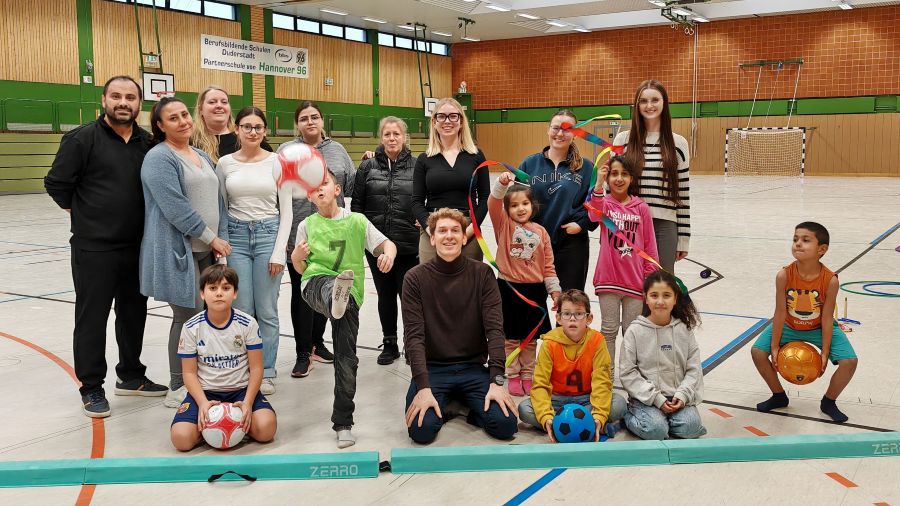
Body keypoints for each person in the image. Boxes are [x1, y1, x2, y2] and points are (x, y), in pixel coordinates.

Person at [44, 75, 166, 418]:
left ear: (139, 104)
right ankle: (92, 386)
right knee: (91, 318)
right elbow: (56, 183)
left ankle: (131, 375)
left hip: (137, 247)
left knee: (133, 314)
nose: (123, 102)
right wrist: (83, 211)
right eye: (116, 96)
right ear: (104, 100)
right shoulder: (81, 139)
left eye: (130, 97)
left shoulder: (148, 143)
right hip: (93, 248)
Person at [290, 169, 397, 448]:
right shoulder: (306, 225)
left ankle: (343, 423)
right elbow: (300, 269)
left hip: (350, 299)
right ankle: (335, 294)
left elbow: (388, 244)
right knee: (329, 287)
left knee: (347, 357)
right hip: (314, 285)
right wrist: (296, 257)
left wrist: (387, 255)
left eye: (324, 183)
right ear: (311, 197)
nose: (319, 189)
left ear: (337, 189)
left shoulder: (357, 221)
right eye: (313, 187)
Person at [139, 97, 231, 408]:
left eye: (184, 115)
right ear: (161, 126)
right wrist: (210, 237)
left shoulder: (202, 154)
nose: (183, 121)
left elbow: (219, 202)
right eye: (173, 118)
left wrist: (219, 240)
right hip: (181, 251)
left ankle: (197, 375)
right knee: (186, 316)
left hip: (208, 248)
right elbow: (175, 207)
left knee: (205, 315)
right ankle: (177, 384)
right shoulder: (158, 158)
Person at [402, 208, 518, 444]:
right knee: (422, 431)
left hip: (472, 368)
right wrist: (422, 387)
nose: (449, 236)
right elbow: (414, 337)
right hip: (433, 369)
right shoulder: (414, 278)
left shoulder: (483, 274)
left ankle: (459, 404)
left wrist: (497, 381)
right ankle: (451, 402)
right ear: (432, 238)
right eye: (442, 231)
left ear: (465, 237)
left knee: (506, 426)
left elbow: (495, 330)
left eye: (455, 230)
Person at [218, 107, 292, 395]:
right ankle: (244, 369)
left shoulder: (277, 162)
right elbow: (221, 208)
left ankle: (268, 370)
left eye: (258, 127)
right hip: (236, 237)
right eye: (246, 126)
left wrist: (278, 252)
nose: (252, 132)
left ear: (265, 130)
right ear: (237, 129)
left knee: (267, 310)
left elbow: (285, 211)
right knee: (242, 310)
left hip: (267, 236)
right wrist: (223, 250)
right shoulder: (224, 164)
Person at [751, 222, 858, 423]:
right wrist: (774, 346)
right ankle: (778, 396)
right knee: (757, 352)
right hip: (788, 325)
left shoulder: (830, 280)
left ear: (822, 249)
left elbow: (827, 317)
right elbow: (780, 311)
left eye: (805, 240)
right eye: (795, 239)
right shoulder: (784, 275)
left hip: (819, 327)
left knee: (850, 362)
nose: (798, 244)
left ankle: (829, 401)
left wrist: (825, 352)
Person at [278, 101, 356, 377]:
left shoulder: (337, 151)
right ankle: (302, 353)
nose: (310, 122)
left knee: (326, 289)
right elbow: (278, 193)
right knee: (302, 293)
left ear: (322, 121)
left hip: (332, 236)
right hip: (297, 233)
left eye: (314, 117)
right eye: (303, 118)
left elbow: (350, 186)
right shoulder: (286, 152)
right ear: (296, 124)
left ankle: (317, 343)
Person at [170, 264, 277, 451]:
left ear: (235, 293)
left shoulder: (248, 324)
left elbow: (257, 368)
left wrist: (248, 403)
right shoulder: (191, 327)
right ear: (202, 293)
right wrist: (202, 403)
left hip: (241, 391)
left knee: (267, 430)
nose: (219, 293)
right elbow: (188, 373)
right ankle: (211, 428)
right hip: (206, 392)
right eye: (212, 288)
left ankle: (237, 424)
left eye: (226, 288)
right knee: (181, 439)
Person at [351, 116, 419, 365]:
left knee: (409, 297)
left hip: (409, 245)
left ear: (404, 137)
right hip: (377, 246)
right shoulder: (367, 168)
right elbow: (357, 206)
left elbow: (423, 201)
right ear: (381, 137)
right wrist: (363, 240)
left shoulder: (417, 165)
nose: (392, 138)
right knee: (385, 295)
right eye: (387, 134)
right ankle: (389, 343)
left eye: (396, 134)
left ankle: (413, 345)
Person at [518, 289, 626, 441]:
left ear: (589, 318)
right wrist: (546, 416)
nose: (572, 319)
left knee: (619, 403)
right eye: (567, 314)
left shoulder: (597, 341)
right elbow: (540, 384)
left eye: (579, 313)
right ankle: (571, 425)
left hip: (587, 399)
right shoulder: (550, 344)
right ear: (559, 318)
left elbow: (602, 382)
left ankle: (582, 425)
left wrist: (599, 416)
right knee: (524, 409)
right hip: (556, 400)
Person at [488, 171, 560, 397]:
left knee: (530, 339)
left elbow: (548, 266)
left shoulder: (541, 232)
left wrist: (554, 290)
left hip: (535, 291)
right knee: (510, 337)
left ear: (532, 205)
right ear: (508, 210)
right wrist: (500, 184)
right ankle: (512, 374)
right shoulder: (504, 226)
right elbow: (493, 203)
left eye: (525, 203)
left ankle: (528, 374)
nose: (520, 208)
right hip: (509, 289)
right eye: (515, 205)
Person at [587, 155, 659, 379]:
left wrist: (649, 279)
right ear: (608, 177)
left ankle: (630, 374)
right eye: (614, 174)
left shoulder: (641, 208)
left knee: (631, 331)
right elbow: (592, 213)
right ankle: (605, 376)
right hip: (608, 279)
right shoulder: (604, 202)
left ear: (631, 178)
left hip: (635, 283)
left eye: (624, 174)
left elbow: (650, 246)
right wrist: (598, 184)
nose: (618, 179)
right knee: (609, 330)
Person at [613, 80, 691, 274]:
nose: (649, 106)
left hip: (665, 226)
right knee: (631, 284)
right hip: (629, 223)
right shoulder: (623, 140)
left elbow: (682, 194)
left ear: (664, 103)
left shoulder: (678, 143)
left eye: (655, 100)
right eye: (643, 101)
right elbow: (612, 189)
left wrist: (683, 238)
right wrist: (611, 228)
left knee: (661, 287)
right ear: (637, 106)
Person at [620, 270, 706, 440]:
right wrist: (656, 399)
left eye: (666, 295)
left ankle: (665, 421)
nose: (660, 301)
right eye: (654, 295)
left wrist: (682, 395)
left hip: (677, 396)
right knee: (656, 431)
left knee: (691, 428)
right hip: (647, 399)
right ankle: (629, 417)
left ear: (675, 299)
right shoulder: (635, 331)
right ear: (645, 297)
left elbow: (694, 368)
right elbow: (628, 373)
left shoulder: (683, 330)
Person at [518, 110, 596, 291]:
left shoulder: (587, 168)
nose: (560, 133)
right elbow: (516, 202)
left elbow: (596, 205)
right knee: (532, 305)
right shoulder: (529, 164)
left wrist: (582, 224)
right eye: (556, 128)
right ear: (548, 130)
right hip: (534, 243)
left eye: (567, 129)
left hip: (571, 245)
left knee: (569, 303)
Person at [411, 98, 488, 264]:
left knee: (469, 285)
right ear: (434, 122)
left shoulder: (476, 155)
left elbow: (484, 198)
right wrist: (431, 230)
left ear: (461, 121)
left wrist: (468, 231)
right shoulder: (424, 159)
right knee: (431, 285)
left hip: (467, 227)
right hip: (434, 227)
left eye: (453, 116)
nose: (447, 121)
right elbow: (416, 202)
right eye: (442, 116)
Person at [191, 86, 272, 164]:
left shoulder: (248, 137)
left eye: (224, 102)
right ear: (200, 109)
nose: (219, 105)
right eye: (212, 102)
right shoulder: (191, 142)